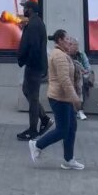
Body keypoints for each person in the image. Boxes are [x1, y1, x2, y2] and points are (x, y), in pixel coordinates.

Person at [28, 31, 84, 170]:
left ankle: (68, 159)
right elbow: (64, 79)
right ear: (59, 40)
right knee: (63, 130)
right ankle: (37, 144)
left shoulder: (62, 54)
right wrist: (75, 99)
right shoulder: (59, 55)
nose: (69, 42)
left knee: (71, 128)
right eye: (66, 39)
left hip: (64, 97)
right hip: (60, 98)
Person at [16, 0, 51, 140]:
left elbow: (33, 46)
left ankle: (33, 129)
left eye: (25, 8)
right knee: (27, 91)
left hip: (34, 66)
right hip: (34, 65)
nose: (23, 10)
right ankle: (44, 119)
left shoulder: (34, 24)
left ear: (30, 9)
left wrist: (26, 60)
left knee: (33, 96)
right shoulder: (35, 23)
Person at [67, 37, 92, 120]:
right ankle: (75, 110)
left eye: (77, 46)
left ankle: (80, 110)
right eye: (75, 46)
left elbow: (88, 67)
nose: (76, 48)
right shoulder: (65, 55)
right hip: (69, 77)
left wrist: (85, 71)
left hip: (81, 77)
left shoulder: (81, 54)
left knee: (82, 84)